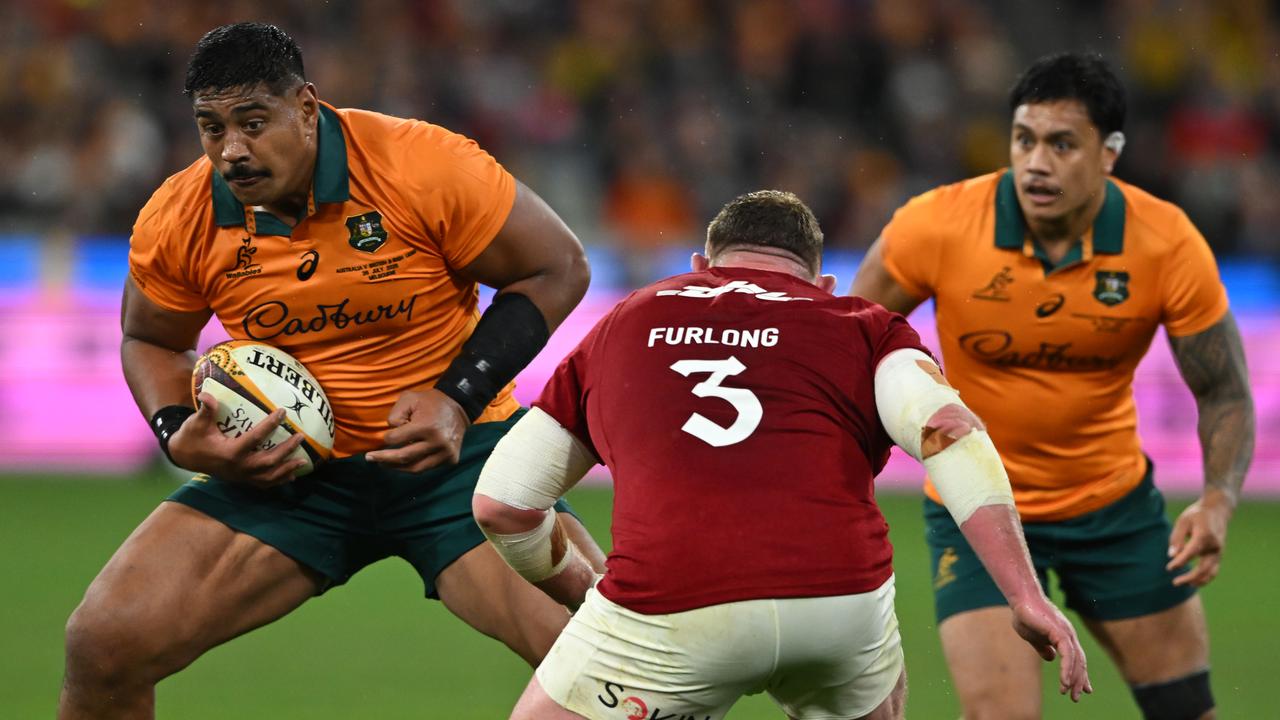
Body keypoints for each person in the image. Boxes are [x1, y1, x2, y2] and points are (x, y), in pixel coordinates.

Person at [59, 22, 607, 719]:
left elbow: (558, 267)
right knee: (104, 642)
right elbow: (150, 339)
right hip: (287, 472)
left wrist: (457, 398)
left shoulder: (421, 164)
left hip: (460, 463)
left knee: (602, 660)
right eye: (211, 128)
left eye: (253, 123)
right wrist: (175, 431)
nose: (232, 150)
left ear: (306, 108)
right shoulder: (181, 214)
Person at [471, 190, 1091, 720]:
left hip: (669, 604)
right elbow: (949, 432)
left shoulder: (627, 320)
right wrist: (1025, 596)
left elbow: (502, 505)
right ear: (822, 283)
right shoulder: (864, 324)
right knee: (872, 674)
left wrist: (585, 588)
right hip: (838, 605)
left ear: (699, 267)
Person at [850, 52, 1256, 720]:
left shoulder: (1166, 243)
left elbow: (1225, 390)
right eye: (1024, 140)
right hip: (976, 508)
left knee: (1187, 711)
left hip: (1113, 510)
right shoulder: (938, 224)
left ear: (1109, 153)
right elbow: (843, 343)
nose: (1036, 163)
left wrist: (1217, 500)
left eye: (1062, 144)